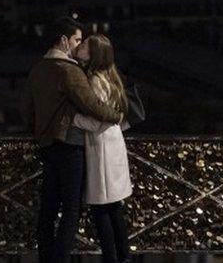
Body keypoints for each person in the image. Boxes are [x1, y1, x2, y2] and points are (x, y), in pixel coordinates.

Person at [22, 17, 123, 263]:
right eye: (77, 39)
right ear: (64, 40)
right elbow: (92, 105)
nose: (78, 45)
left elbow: (27, 110)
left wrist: (40, 130)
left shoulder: (37, 69)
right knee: (70, 209)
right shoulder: (69, 70)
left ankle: (47, 257)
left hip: (46, 146)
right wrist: (117, 115)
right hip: (70, 145)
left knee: (47, 209)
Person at [71, 34, 133, 263]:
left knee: (101, 208)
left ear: (94, 54)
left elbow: (96, 120)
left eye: (86, 44)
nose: (81, 45)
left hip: (102, 146)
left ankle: (111, 257)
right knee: (114, 207)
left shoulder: (95, 80)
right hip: (112, 143)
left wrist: (73, 119)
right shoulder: (111, 77)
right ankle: (123, 256)